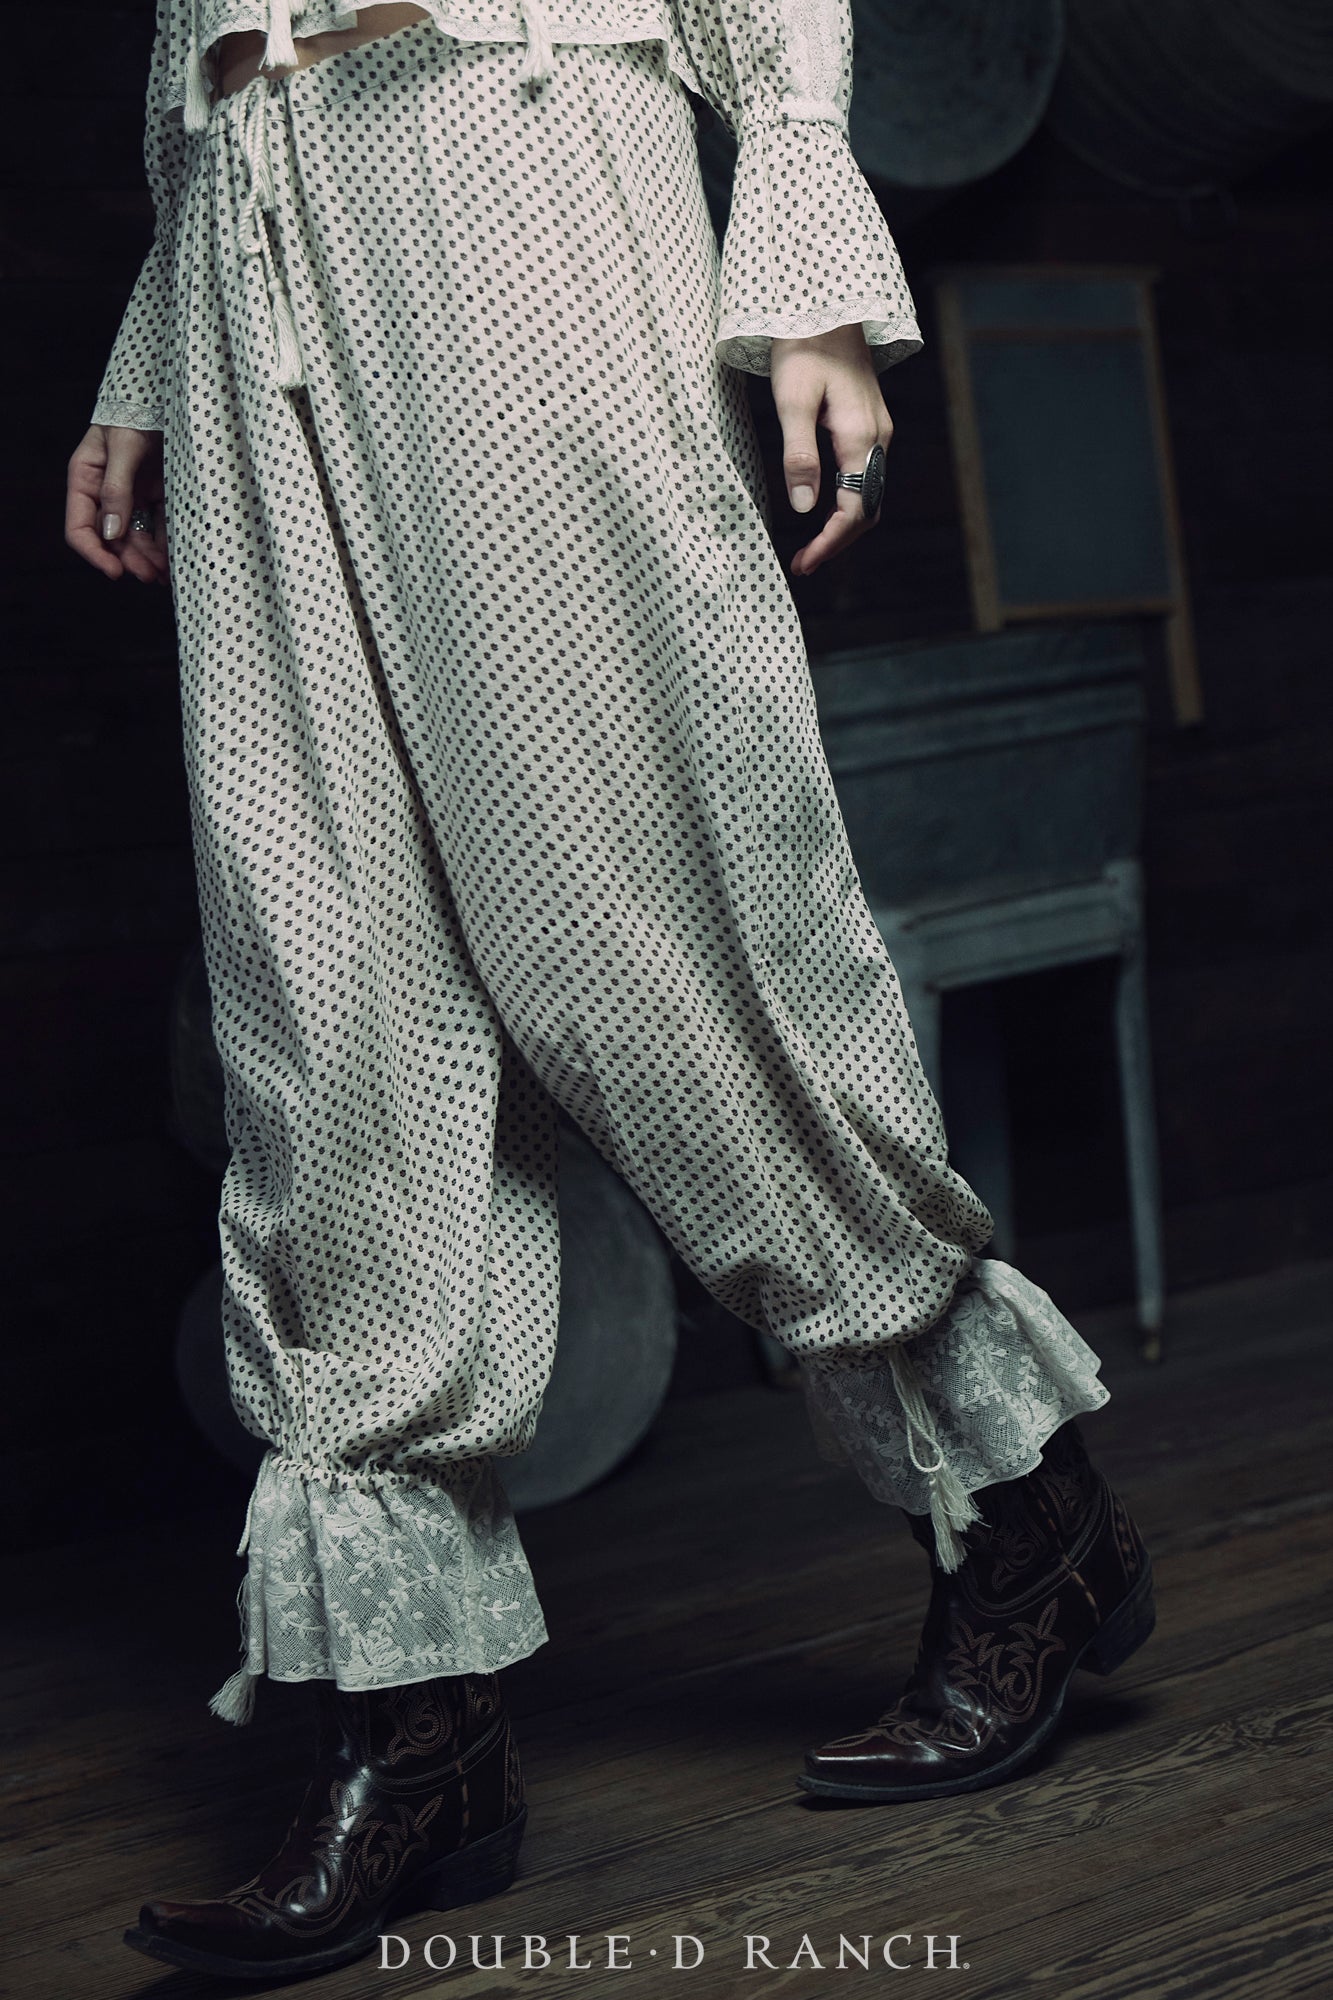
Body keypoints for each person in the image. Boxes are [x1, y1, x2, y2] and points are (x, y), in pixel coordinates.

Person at [66, 0, 1155, 1981]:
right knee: (330, 993)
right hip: (245, 235)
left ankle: (1020, 1517)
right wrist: (156, 346)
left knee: (652, 927)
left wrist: (804, 273)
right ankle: (411, 1735)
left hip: (521, 159)